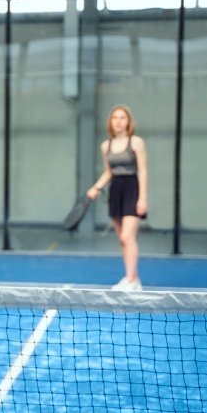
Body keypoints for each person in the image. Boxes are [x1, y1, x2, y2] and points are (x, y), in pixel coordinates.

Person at [86, 104, 148, 292]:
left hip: (132, 189)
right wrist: (96, 187)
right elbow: (108, 172)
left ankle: (131, 279)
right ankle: (133, 278)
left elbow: (143, 171)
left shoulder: (136, 142)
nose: (118, 121)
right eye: (115, 118)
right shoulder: (106, 146)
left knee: (128, 236)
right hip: (115, 191)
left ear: (128, 122)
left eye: (122, 118)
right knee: (122, 239)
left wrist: (143, 198)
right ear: (110, 122)